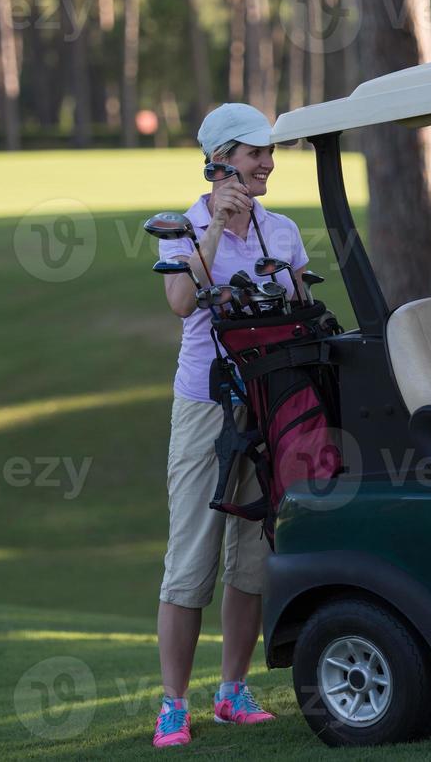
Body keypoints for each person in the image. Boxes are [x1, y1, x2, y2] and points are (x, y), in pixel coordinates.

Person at [152, 103, 309, 748]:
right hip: (205, 406)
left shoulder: (283, 229)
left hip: (268, 402)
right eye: (255, 154)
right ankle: (172, 706)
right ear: (220, 160)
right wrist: (215, 229)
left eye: (270, 154)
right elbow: (181, 302)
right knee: (191, 557)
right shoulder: (181, 227)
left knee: (251, 560)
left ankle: (233, 691)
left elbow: (301, 303)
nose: (267, 164)